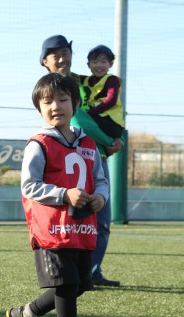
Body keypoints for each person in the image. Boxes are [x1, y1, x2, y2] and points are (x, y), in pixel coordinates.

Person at [6, 72, 109, 317]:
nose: (55, 106)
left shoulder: (88, 144)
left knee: (77, 286)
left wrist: (100, 197)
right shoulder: (38, 144)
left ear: (74, 103)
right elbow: (29, 185)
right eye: (47, 101)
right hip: (51, 230)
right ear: (39, 108)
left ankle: (23, 314)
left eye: (62, 100)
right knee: (66, 285)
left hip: (81, 227)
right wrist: (65, 195)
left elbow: (100, 180)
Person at [40, 34, 123, 287]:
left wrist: (111, 141)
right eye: (56, 55)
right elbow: (79, 120)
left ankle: (91, 272)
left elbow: (97, 115)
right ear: (44, 61)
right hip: (62, 161)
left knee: (101, 219)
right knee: (65, 220)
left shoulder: (81, 82)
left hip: (94, 157)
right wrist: (108, 141)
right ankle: (67, 274)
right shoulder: (47, 87)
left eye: (66, 53)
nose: (63, 59)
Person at [79, 44, 125, 142]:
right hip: (97, 117)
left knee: (82, 122)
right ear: (89, 65)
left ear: (111, 64)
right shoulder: (85, 80)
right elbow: (69, 77)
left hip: (112, 122)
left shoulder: (112, 80)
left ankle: (108, 143)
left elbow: (111, 100)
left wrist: (90, 113)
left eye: (103, 62)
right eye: (95, 62)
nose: (99, 65)